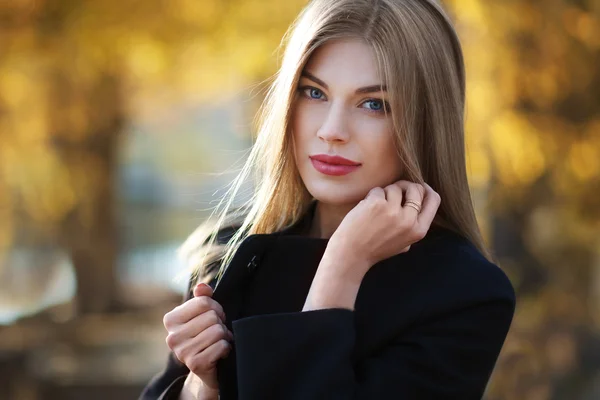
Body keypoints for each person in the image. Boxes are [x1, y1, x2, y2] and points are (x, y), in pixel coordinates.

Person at [140, 0, 516, 399]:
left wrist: (342, 265)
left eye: (374, 104)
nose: (332, 130)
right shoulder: (226, 253)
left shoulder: (465, 294)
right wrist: (201, 386)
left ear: (425, 123)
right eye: (314, 92)